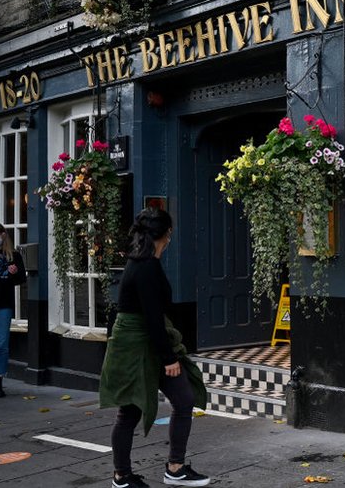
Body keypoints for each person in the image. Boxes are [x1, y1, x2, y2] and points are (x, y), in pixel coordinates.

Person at [99, 208, 210, 488]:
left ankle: (175, 468)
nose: (171, 237)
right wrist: (169, 358)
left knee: (184, 399)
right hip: (136, 345)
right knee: (130, 411)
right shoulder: (145, 266)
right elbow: (151, 318)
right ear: (165, 235)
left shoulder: (146, 262)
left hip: (150, 341)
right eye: (170, 232)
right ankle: (121, 477)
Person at [0, 222, 27, 398]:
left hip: (4, 303)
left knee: (1, 344)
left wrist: (14, 273)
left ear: (3, 235)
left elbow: (21, 279)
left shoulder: (14, 256)